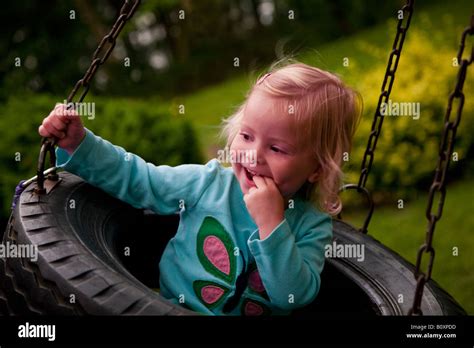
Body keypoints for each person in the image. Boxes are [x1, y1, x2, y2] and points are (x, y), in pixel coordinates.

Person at [38, 61, 362, 316]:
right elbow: (139, 179)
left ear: (317, 168)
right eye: (247, 136)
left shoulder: (311, 224)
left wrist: (271, 225)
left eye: (277, 149)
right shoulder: (207, 184)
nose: (253, 154)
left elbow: (292, 295)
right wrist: (80, 145)